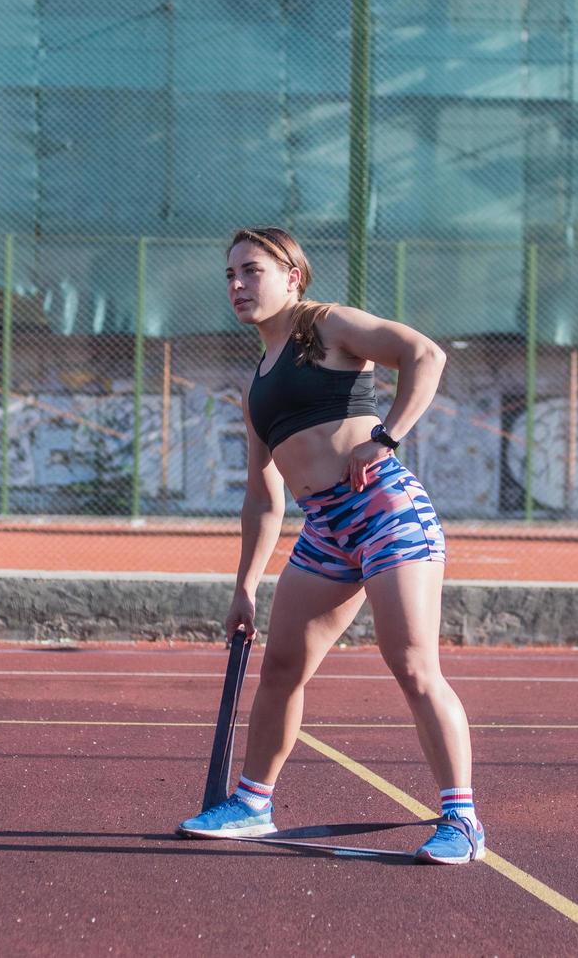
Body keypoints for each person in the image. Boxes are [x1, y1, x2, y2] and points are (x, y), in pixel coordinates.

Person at [176, 226, 484, 864]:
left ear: (292, 275)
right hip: (324, 530)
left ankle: (462, 819)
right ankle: (252, 804)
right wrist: (244, 586)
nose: (237, 284)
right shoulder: (256, 385)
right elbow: (265, 497)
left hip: (384, 510)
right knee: (282, 669)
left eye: (251, 271)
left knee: (413, 665)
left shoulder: (328, 326)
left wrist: (388, 436)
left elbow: (426, 355)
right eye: (230, 274)